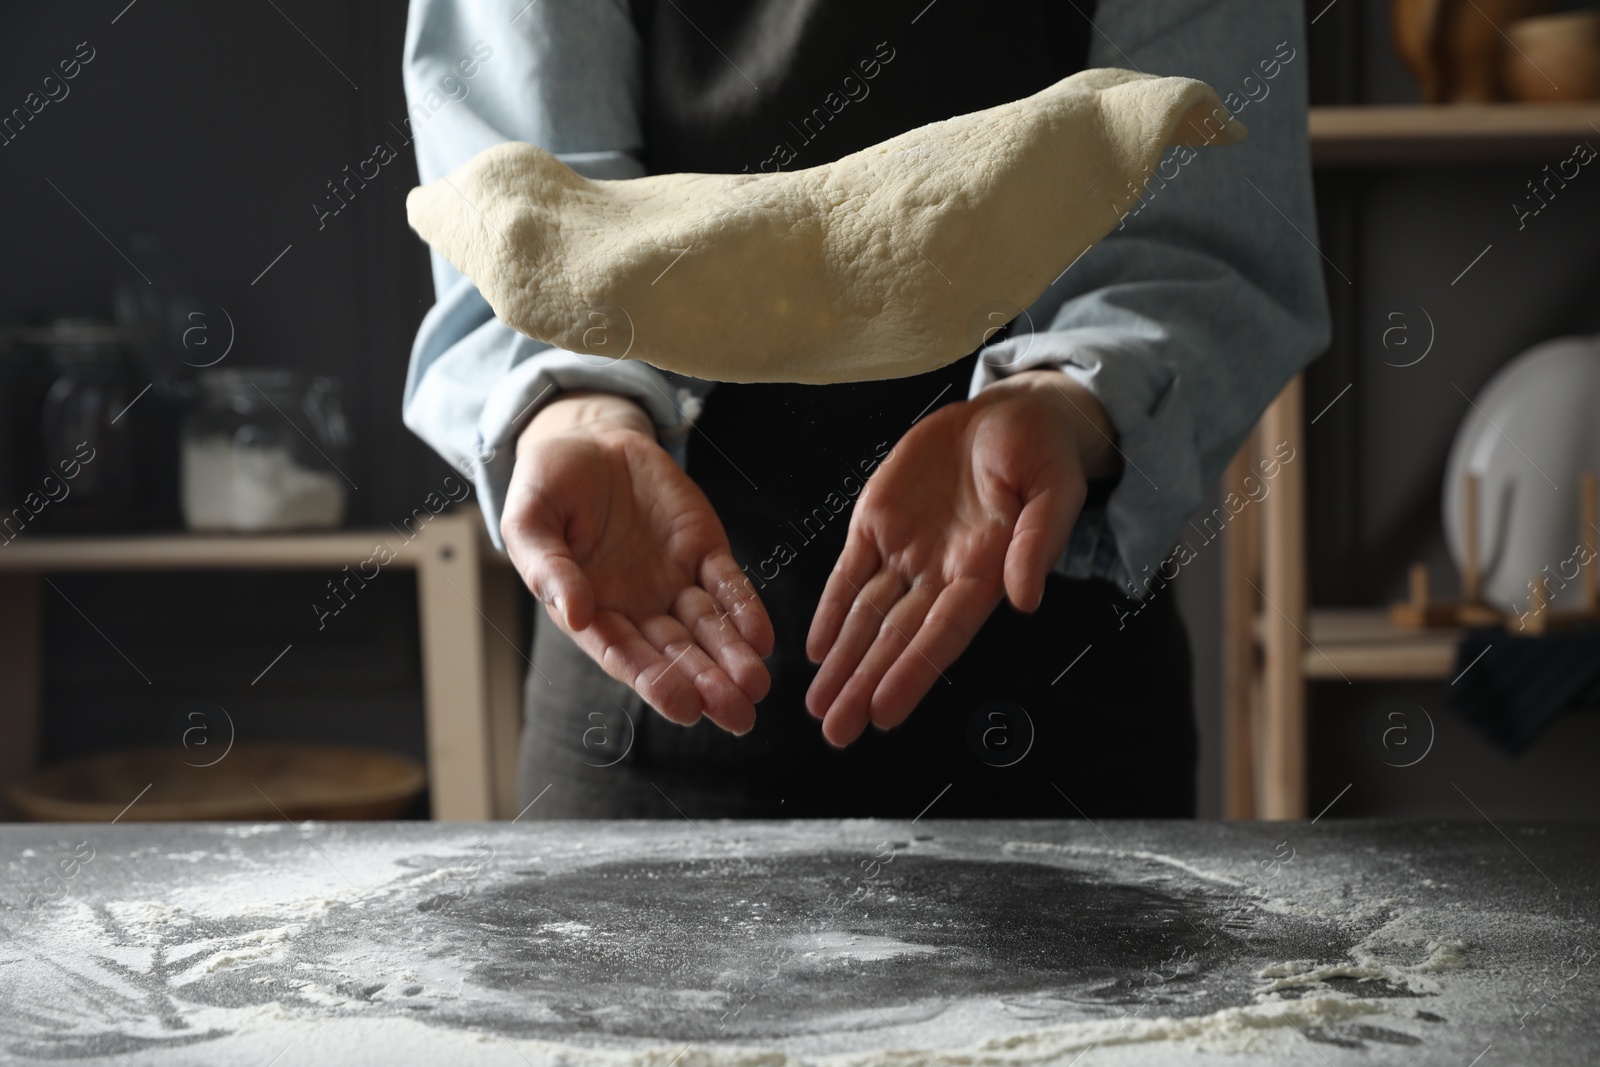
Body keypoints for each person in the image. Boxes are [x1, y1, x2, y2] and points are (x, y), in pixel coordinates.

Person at [401, 0, 1330, 819]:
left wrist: (1067, 399)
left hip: (1057, 684)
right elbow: (535, 216)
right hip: (643, 650)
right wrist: (580, 409)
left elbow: (1206, 232)